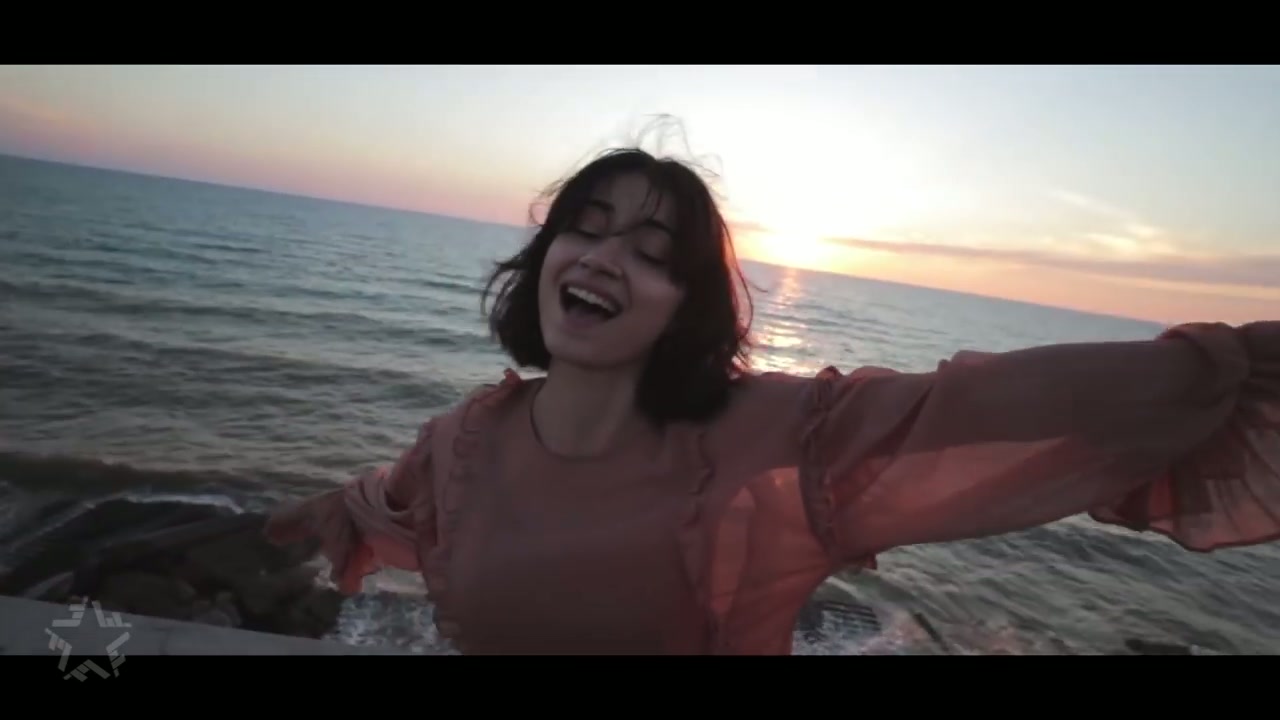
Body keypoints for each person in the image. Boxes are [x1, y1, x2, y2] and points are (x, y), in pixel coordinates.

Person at [265, 146, 1280, 655]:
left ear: (685, 307)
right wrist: (314, 514)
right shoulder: (464, 439)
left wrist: (1223, 366)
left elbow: (984, 406)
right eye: (586, 227)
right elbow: (388, 505)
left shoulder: (769, 438)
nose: (604, 257)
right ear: (547, 257)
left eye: (652, 252)